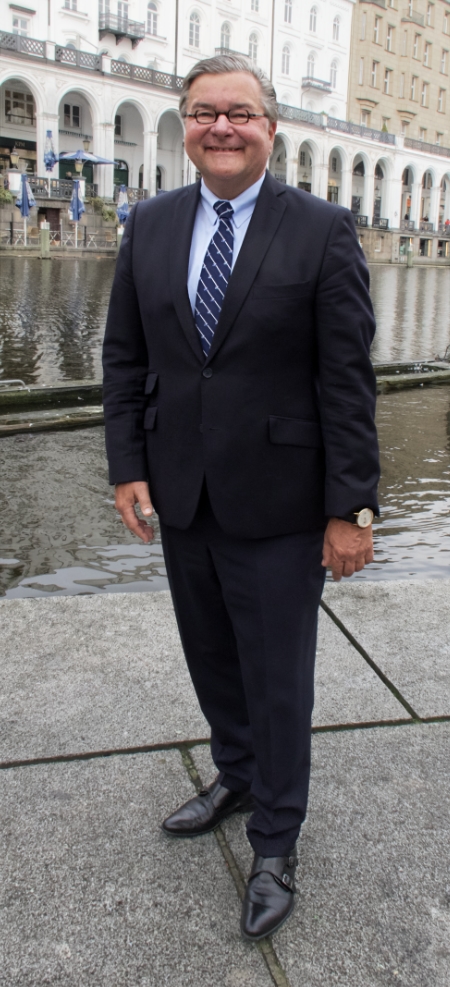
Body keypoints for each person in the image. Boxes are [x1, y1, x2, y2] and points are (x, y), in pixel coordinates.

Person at [102, 54, 380, 942]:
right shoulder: (150, 223)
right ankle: (237, 772)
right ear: (184, 124)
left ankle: (276, 840)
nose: (221, 127)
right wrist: (126, 465)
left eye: (240, 113)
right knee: (213, 657)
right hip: (182, 491)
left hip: (283, 502)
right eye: (204, 112)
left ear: (271, 128)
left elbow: (347, 382)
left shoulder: (322, 229)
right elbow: (125, 357)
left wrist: (353, 509)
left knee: (276, 677)